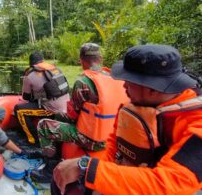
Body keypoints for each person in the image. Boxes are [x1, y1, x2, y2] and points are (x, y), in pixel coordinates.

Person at [52, 44, 202, 195]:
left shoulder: (197, 124)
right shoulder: (133, 107)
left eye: (129, 83)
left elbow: (171, 183)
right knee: (63, 185)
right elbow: (112, 147)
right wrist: (89, 173)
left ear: (152, 88)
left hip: (155, 188)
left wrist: (88, 168)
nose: (124, 86)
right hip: (128, 179)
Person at [30, 43, 128, 183]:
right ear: (100, 59)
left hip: (93, 140)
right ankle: (54, 150)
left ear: (81, 60)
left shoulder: (83, 82)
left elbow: (73, 115)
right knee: (57, 116)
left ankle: (49, 169)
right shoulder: (115, 77)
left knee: (44, 125)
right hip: (113, 137)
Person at [14, 52, 70, 145]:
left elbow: (26, 97)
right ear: (43, 61)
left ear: (31, 64)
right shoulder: (56, 69)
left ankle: (33, 140)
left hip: (53, 110)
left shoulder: (29, 75)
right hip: (66, 106)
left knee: (19, 110)